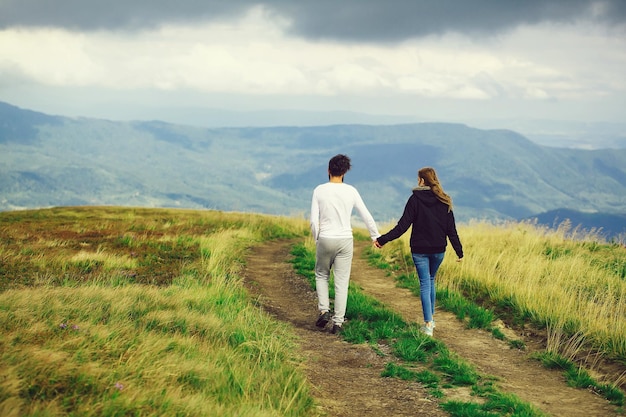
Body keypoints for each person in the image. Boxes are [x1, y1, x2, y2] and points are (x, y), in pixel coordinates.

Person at [374, 167, 463, 336]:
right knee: (430, 280)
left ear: (422, 180)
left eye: (418, 179)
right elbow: (451, 230)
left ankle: (428, 324)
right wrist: (459, 252)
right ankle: (431, 319)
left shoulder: (415, 199)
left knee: (425, 283)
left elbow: (402, 226)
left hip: (420, 250)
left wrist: (382, 239)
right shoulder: (444, 200)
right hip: (438, 250)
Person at [310, 154, 380, 334]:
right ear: (345, 172)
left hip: (325, 238)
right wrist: (375, 236)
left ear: (328, 170)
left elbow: (313, 221)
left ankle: (324, 310)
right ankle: (338, 323)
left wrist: (317, 238)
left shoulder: (319, 190)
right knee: (342, 281)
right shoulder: (351, 191)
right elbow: (366, 214)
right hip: (345, 240)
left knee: (321, 275)